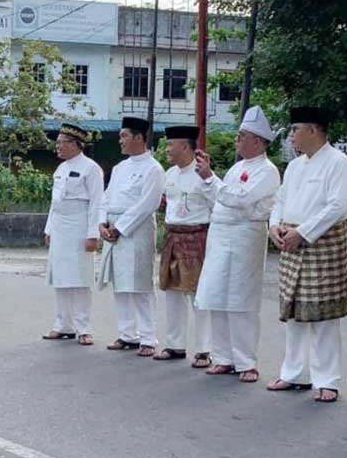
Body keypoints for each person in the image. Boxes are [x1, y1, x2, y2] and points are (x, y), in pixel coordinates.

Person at [266, 107, 347, 403]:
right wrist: (274, 225)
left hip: (321, 241)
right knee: (293, 312)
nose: (292, 136)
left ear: (314, 130)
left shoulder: (338, 162)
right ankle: (293, 374)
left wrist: (302, 232)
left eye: (296, 130)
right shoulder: (294, 166)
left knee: (323, 315)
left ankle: (326, 380)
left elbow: (337, 207)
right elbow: (280, 200)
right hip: (290, 239)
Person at [194, 107, 281, 383]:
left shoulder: (267, 171)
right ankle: (223, 357)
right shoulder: (236, 168)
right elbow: (222, 197)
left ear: (257, 140)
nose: (237, 140)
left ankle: (246, 361)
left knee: (240, 301)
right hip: (221, 236)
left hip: (245, 238)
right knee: (216, 297)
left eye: (241, 136)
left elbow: (241, 200)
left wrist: (211, 178)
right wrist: (210, 180)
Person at [98, 116, 164, 356]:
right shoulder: (119, 168)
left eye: (124, 136)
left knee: (140, 284)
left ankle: (148, 337)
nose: (120, 141)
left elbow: (147, 204)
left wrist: (120, 227)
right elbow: (106, 197)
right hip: (114, 228)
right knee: (121, 283)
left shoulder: (153, 169)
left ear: (139, 137)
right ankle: (128, 334)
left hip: (137, 230)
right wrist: (102, 223)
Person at [155, 125, 215, 365]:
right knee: (172, 292)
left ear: (185, 146)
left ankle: (204, 350)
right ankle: (175, 345)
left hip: (196, 237)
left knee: (198, 295)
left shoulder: (204, 175)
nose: (167, 149)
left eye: (171, 145)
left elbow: (217, 206)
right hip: (172, 235)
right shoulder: (169, 175)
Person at [42, 123, 104, 344]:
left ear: (75, 144)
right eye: (57, 142)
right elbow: (54, 203)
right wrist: (49, 228)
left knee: (79, 279)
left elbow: (97, 203)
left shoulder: (91, 168)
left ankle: (83, 328)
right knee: (61, 278)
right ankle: (63, 325)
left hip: (79, 227)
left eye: (61, 143)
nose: (57, 147)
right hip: (60, 227)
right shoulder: (61, 169)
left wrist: (92, 234)